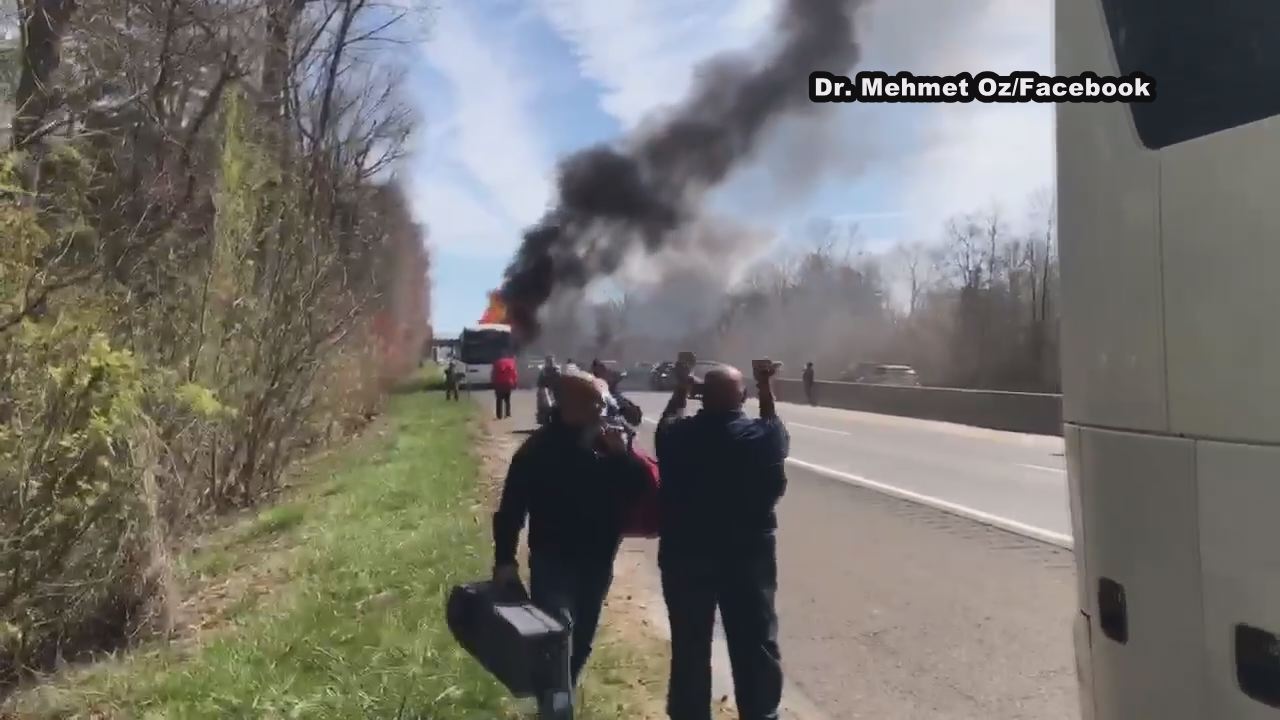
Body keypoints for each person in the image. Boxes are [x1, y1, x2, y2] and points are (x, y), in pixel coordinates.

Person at [491, 369, 653, 695]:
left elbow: (640, 490)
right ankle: (555, 708)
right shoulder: (537, 451)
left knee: (581, 644)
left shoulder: (610, 442)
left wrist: (622, 455)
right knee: (557, 641)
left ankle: (558, 699)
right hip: (554, 562)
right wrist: (505, 560)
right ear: (571, 406)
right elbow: (511, 511)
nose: (603, 411)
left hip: (598, 562)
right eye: (596, 404)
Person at [655, 358, 790, 720]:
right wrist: (765, 385)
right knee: (755, 642)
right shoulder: (760, 438)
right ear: (742, 397)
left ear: (701, 396)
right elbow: (773, 425)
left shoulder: (676, 437)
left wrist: (683, 387)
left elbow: (667, 422)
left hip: (686, 554)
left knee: (689, 645)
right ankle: (760, 713)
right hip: (748, 557)